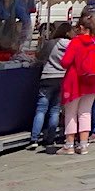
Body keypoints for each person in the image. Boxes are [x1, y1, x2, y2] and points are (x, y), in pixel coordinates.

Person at [58, 12, 95, 155]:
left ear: (81, 27)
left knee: (71, 113)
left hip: (75, 81)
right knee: (85, 112)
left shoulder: (76, 42)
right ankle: (84, 145)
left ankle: (69, 145)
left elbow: (65, 62)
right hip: (93, 82)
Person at [29, 21, 71, 149]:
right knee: (55, 110)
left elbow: (40, 57)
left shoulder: (51, 44)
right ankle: (50, 138)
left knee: (41, 108)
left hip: (48, 76)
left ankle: (34, 139)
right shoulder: (71, 45)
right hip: (63, 77)